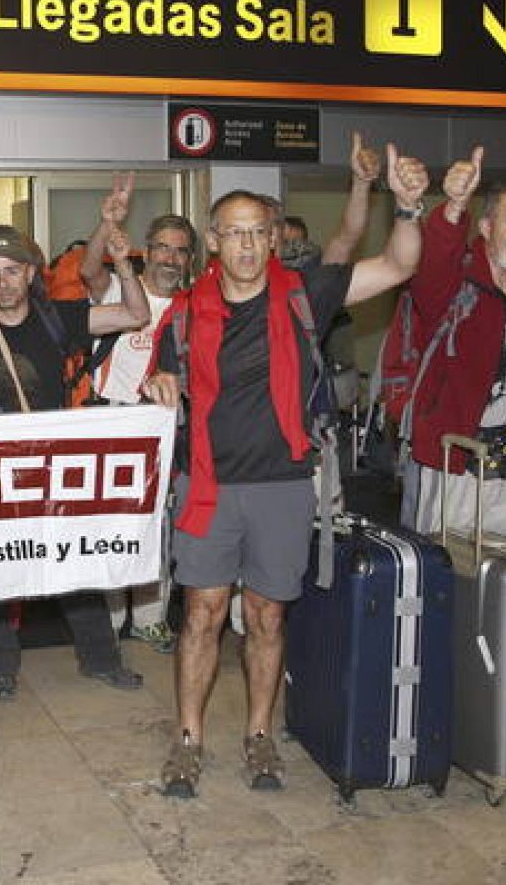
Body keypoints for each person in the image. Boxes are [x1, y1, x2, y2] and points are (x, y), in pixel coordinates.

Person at [143, 138, 430, 798]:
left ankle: (259, 734)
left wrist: (409, 207)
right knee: (201, 617)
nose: (246, 246)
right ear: (213, 241)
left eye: (257, 233)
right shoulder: (184, 316)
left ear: (273, 238)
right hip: (208, 487)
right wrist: (159, 381)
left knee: (267, 618)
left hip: (281, 487)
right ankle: (188, 738)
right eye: (234, 234)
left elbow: (395, 266)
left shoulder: (307, 292)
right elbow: (162, 378)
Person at [0, 224, 150, 702]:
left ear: (30, 273)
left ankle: (101, 659)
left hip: (55, 466)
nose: (3, 282)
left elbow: (136, 315)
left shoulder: (61, 317)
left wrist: (123, 265)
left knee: (77, 567)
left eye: (12, 271)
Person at [404, 162, 506, 551]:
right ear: (486, 227)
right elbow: (431, 263)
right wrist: (454, 207)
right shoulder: (455, 286)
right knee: (445, 578)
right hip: (456, 465)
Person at [79, 174, 199, 653]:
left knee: (158, 525)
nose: (170, 258)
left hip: (166, 432)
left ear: (191, 259)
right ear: (146, 251)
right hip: (109, 421)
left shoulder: (199, 308)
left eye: (180, 251)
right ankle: (108, 620)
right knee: (110, 526)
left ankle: (150, 617)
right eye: (162, 248)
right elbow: (89, 270)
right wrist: (107, 226)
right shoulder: (117, 290)